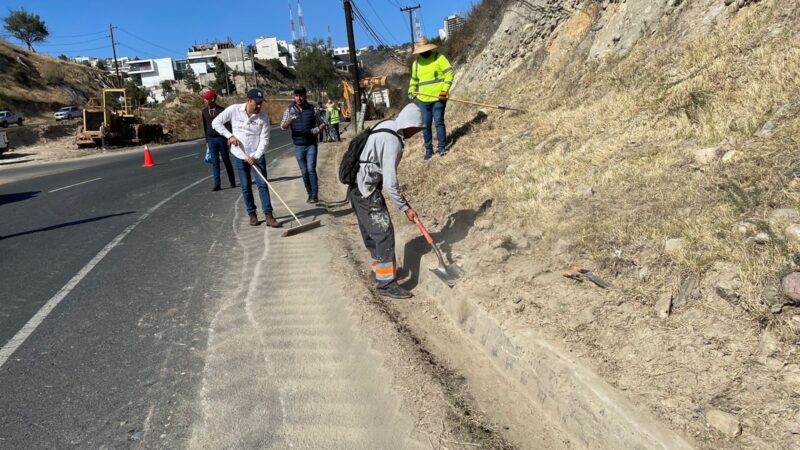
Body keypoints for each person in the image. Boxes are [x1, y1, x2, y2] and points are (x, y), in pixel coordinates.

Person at [349, 103, 425, 300]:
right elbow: (391, 183)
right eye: (417, 128)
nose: (416, 133)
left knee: (371, 232)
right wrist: (405, 208)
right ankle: (386, 284)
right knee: (383, 233)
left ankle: (380, 272)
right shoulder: (393, 141)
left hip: (356, 187)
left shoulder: (387, 125)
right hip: (366, 189)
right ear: (410, 125)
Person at [212, 88, 279, 227]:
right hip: (239, 154)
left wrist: (255, 156)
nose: (259, 106)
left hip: (257, 155)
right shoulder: (234, 110)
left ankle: (269, 215)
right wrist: (229, 136)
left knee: (262, 184)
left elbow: (264, 139)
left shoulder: (263, 117)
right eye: (257, 103)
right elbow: (216, 123)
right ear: (249, 100)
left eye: (261, 103)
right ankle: (252, 214)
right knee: (245, 186)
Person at [407, 36, 454, 161]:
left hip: (438, 98)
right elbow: (414, 80)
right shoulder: (416, 64)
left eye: (425, 49)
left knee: (438, 122)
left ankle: (442, 148)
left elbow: (449, 74)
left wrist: (444, 91)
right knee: (426, 125)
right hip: (423, 100)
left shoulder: (439, 58)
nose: (424, 52)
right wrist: (411, 90)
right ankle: (428, 150)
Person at [281, 86, 324, 204]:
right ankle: (309, 193)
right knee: (304, 171)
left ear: (305, 96)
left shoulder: (313, 109)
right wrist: (289, 122)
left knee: (311, 169)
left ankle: (315, 195)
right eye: (296, 96)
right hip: (299, 146)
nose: (298, 98)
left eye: (301, 95)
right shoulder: (289, 110)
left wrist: (318, 130)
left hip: (311, 144)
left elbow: (321, 123)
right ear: (294, 97)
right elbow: (282, 127)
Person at [201, 89, 236, 191]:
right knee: (215, 162)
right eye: (204, 99)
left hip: (221, 138)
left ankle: (232, 181)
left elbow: (228, 124)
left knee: (226, 160)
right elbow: (205, 127)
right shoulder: (204, 112)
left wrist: (229, 137)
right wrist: (206, 140)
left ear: (212, 99)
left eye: (207, 99)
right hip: (211, 139)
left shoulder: (221, 110)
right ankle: (217, 184)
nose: (205, 101)